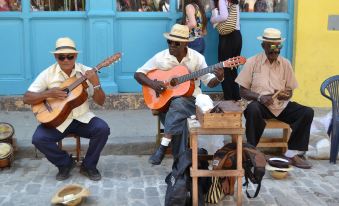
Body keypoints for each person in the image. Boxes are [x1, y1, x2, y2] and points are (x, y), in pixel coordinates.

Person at [134, 24, 224, 165]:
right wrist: (153, 84)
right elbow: (138, 74)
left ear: (185, 44)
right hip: (165, 103)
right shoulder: (161, 57)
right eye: (169, 41)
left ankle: (166, 149)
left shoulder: (197, 58)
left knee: (180, 105)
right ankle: (181, 165)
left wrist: (218, 77)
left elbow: (209, 82)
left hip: (191, 101)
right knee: (178, 111)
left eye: (176, 43)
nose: (171, 45)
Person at [23, 37, 110, 181]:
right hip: (58, 121)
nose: (66, 60)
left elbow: (101, 102)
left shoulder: (86, 72)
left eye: (70, 56)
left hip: (82, 118)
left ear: (75, 56)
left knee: (102, 129)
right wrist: (48, 93)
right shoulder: (47, 74)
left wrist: (96, 84)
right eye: (61, 57)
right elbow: (27, 98)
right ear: (55, 57)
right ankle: (65, 163)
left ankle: (88, 166)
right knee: (38, 139)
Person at [235, 28, 314, 169]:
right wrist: (260, 97)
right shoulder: (252, 62)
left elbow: (290, 90)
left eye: (278, 47)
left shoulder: (286, 64)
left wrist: (286, 95)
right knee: (252, 109)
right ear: (263, 46)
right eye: (271, 47)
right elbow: (242, 91)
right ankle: (252, 151)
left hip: (281, 106)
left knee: (307, 112)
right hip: (260, 105)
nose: (274, 51)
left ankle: (291, 153)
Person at [210, 0, 242, 101]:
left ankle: (229, 100)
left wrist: (213, 19)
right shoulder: (234, 2)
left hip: (227, 38)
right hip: (237, 36)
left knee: (224, 70)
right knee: (232, 69)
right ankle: (237, 99)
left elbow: (223, 16)